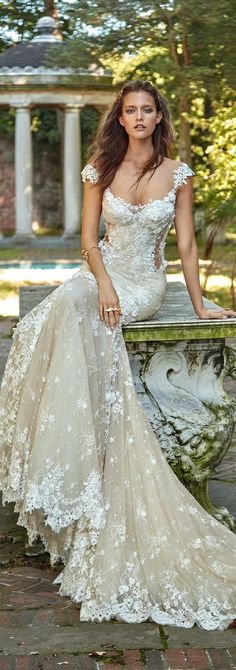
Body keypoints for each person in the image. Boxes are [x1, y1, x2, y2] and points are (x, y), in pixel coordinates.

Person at [0, 79, 236, 630]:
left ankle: (85, 470)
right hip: (102, 275)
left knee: (75, 310)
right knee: (57, 313)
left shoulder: (176, 172)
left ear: (158, 117)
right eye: (129, 110)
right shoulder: (99, 169)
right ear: (120, 117)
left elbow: (184, 244)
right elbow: (87, 238)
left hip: (144, 285)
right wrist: (102, 282)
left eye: (146, 110)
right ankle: (68, 464)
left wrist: (200, 304)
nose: (137, 118)